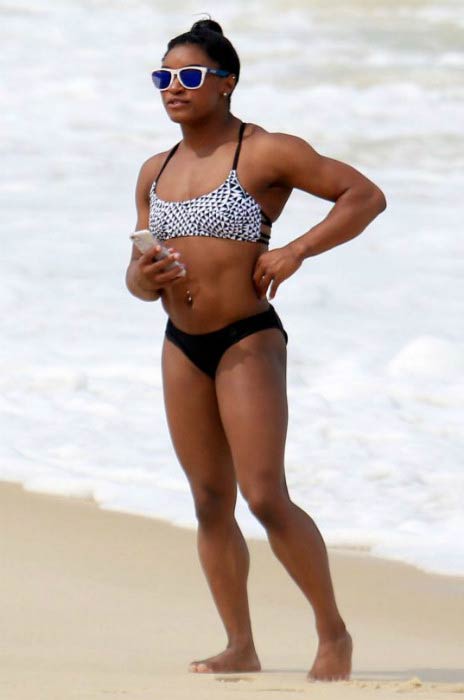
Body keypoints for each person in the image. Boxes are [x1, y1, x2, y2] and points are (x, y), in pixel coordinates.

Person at [126, 18, 386, 682]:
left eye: (189, 76)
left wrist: (296, 249)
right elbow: (136, 276)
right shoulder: (154, 171)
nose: (173, 88)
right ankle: (239, 643)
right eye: (164, 77)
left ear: (226, 83)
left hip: (247, 338)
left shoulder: (265, 152)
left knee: (264, 494)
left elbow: (364, 195)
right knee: (209, 499)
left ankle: (333, 634)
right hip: (180, 343)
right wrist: (141, 277)